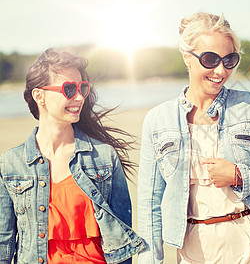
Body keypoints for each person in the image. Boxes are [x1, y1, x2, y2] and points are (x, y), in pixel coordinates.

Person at [137, 12, 250, 263]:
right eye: (210, 59)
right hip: (194, 250)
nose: (221, 70)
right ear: (187, 57)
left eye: (229, 59)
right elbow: (149, 204)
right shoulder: (158, 120)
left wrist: (240, 175)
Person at [0, 49, 145, 263]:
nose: (79, 97)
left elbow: (121, 241)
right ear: (39, 96)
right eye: (69, 89)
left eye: (82, 88)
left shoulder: (104, 157)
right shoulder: (11, 164)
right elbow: (4, 241)